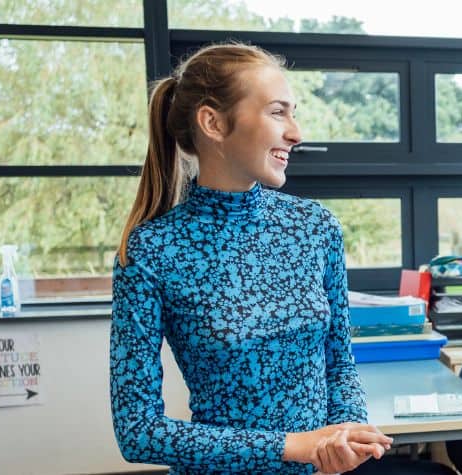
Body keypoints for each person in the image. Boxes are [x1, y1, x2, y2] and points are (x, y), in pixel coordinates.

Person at [109, 43, 392, 475]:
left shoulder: (316, 228)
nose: (296, 132)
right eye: (278, 112)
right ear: (213, 123)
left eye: (293, 112)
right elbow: (138, 430)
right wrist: (292, 446)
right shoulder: (150, 251)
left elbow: (339, 363)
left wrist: (345, 431)